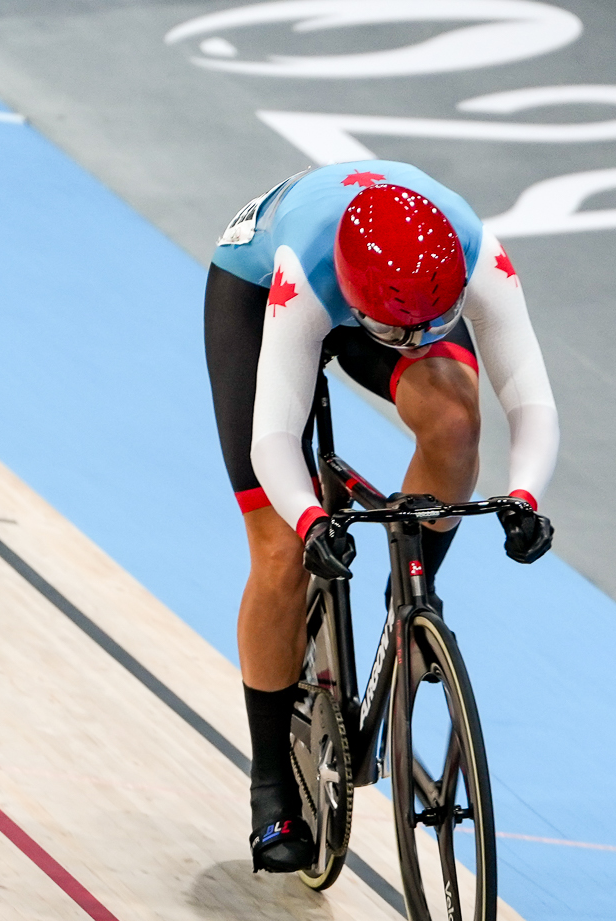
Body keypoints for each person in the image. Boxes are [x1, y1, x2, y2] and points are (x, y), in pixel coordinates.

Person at [205, 163, 558, 874]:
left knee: (456, 421)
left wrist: (525, 496)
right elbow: (272, 437)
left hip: (389, 293)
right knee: (278, 552)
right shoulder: (302, 274)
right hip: (259, 291)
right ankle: (270, 785)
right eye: (404, 333)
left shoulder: (471, 252)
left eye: (433, 324)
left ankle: (410, 601)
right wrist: (308, 521)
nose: (416, 340)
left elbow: (531, 398)